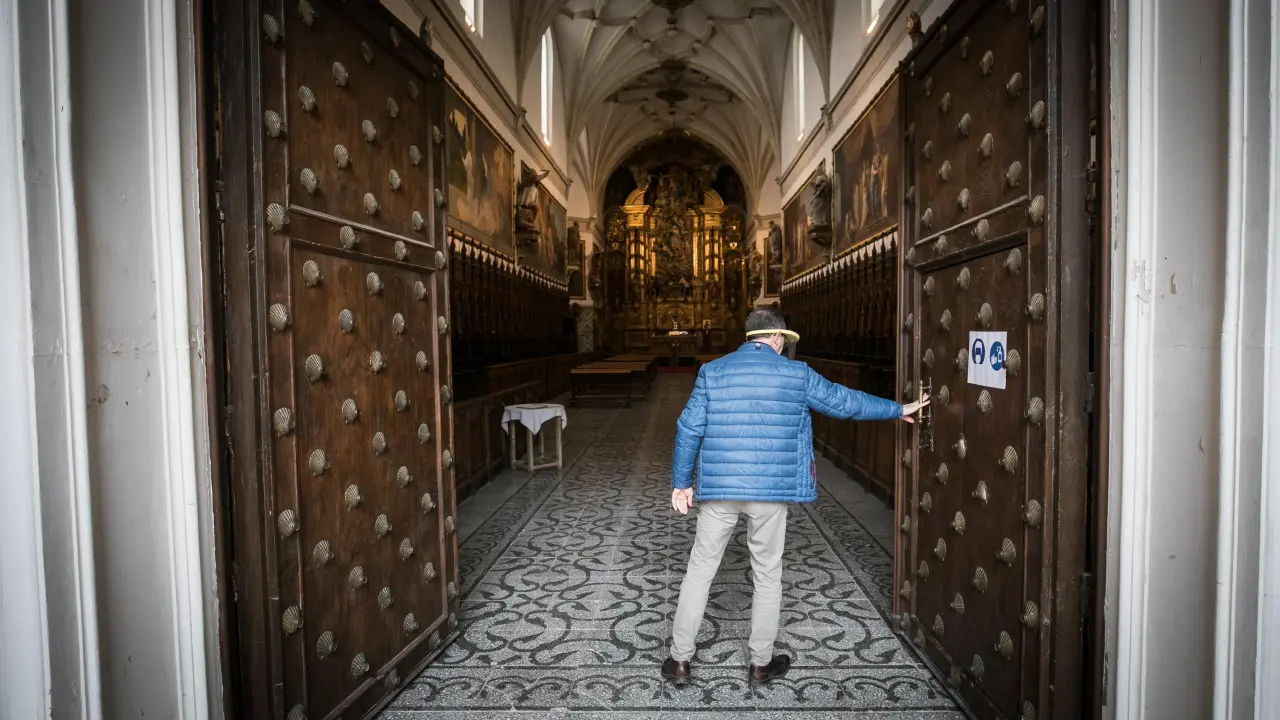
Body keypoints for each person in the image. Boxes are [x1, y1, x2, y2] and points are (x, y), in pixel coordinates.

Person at [661, 308, 929, 685]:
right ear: (776, 337)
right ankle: (760, 663)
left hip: (720, 487)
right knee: (767, 573)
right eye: (784, 341)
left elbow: (688, 428)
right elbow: (843, 402)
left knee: (700, 570)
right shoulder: (796, 373)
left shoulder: (713, 371)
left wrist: (681, 483)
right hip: (771, 490)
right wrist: (897, 409)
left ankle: (680, 661)